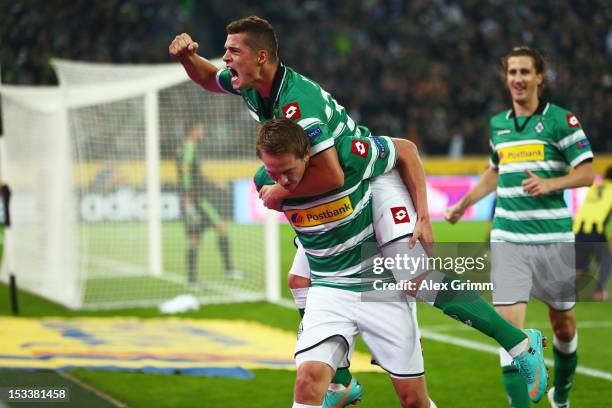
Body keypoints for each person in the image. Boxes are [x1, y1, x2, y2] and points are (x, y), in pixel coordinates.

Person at [170, 17, 549, 406]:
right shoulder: (250, 86)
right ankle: (341, 382)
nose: (226, 58)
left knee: (411, 273)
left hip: (374, 179)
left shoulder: (303, 107)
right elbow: (206, 78)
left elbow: (341, 172)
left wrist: (421, 215)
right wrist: (187, 57)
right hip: (333, 185)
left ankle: (518, 343)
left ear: (261, 57)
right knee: (300, 281)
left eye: (234, 51)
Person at [445, 46, 595, 408]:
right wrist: (464, 203)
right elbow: (495, 171)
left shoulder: (561, 121)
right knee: (509, 330)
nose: (518, 79)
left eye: (525, 72)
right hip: (508, 237)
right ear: (505, 77)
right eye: (512, 72)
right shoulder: (499, 125)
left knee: (563, 325)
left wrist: (550, 184)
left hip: (552, 238)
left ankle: (562, 395)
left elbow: (587, 172)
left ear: (539, 78)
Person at [177, 122, 242, 284]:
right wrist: (187, 195)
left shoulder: (188, 148)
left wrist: (215, 184)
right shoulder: (188, 149)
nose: (202, 131)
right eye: (200, 128)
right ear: (192, 130)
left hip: (194, 198)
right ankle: (228, 270)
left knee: (195, 237)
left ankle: (192, 280)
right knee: (219, 227)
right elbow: (185, 173)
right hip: (196, 199)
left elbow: (196, 175)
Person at [573, 166, 611, 301]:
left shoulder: (595, 188)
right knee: (606, 261)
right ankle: (599, 292)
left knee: (580, 266)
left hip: (579, 229)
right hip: (595, 230)